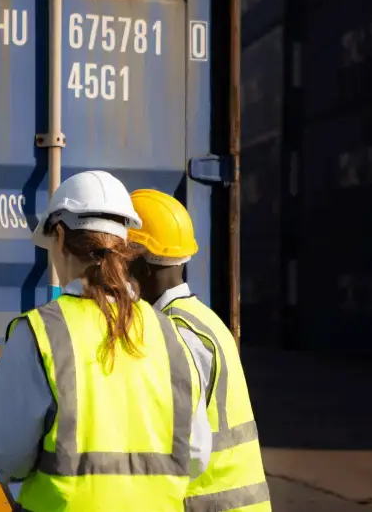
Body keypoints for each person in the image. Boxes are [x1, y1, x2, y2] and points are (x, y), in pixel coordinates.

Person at [0, 170, 217, 511]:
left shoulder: (39, 333)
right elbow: (196, 457)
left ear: (59, 236)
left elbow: (6, 457)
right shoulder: (170, 335)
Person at [127, 188, 272, 512]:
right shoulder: (205, 320)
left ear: (142, 268)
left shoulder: (173, 334)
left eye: (121, 262)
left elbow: (183, 446)